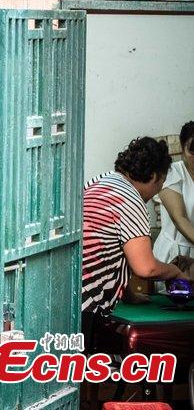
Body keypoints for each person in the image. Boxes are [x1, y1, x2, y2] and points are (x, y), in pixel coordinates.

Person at [81, 137, 186, 348]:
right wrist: (175, 271)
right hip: (86, 304)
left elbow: (108, 247)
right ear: (155, 176)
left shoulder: (102, 180)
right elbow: (146, 268)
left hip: (71, 292)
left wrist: (128, 293)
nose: (158, 192)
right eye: (161, 184)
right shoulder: (131, 199)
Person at [153, 121, 194, 262]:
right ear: (183, 148)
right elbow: (180, 219)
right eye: (192, 150)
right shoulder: (172, 173)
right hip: (175, 256)